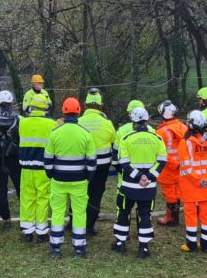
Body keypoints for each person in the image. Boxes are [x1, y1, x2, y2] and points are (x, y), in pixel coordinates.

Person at [45, 98, 96, 259]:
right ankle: (79, 248)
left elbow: (47, 159)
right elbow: (92, 162)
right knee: (80, 213)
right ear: (79, 111)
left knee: (58, 213)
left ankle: (55, 248)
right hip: (80, 181)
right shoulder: (86, 134)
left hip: (58, 180)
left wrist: (51, 175)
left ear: (64, 112)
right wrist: (87, 178)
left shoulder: (55, 133)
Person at [113, 107, 166, 259]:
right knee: (145, 214)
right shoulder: (157, 138)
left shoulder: (126, 138)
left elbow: (123, 162)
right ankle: (143, 248)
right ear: (147, 120)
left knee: (123, 212)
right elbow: (162, 161)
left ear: (133, 122)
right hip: (148, 186)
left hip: (129, 185)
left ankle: (120, 244)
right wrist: (148, 177)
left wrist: (137, 177)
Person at [10, 94, 56, 242]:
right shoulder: (51, 124)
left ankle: (27, 232)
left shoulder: (22, 123)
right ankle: (42, 232)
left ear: (31, 107)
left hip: (26, 168)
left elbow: (15, 140)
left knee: (27, 198)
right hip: (43, 168)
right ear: (45, 108)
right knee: (42, 199)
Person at [179, 110, 207, 253]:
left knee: (190, 214)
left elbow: (185, 167)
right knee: (206, 213)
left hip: (190, 186)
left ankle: (191, 245)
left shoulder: (185, 143)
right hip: (206, 185)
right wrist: (206, 179)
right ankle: (205, 244)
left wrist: (197, 180)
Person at [78, 87, 116, 236]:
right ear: (101, 105)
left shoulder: (79, 122)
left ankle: (74, 221)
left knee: (79, 194)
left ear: (85, 104)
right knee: (96, 194)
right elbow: (114, 143)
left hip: (82, 166)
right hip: (101, 167)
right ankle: (90, 225)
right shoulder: (107, 124)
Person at [0, 90, 21, 229]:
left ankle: (6, 219)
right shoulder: (19, 119)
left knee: (1, 190)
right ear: (12, 103)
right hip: (14, 158)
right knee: (20, 188)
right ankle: (25, 217)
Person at [155, 100, 187, 227]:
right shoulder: (183, 127)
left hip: (167, 167)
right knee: (177, 191)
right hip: (181, 165)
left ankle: (171, 218)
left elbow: (160, 152)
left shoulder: (161, 132)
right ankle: (174, 217)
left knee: (169, 192)